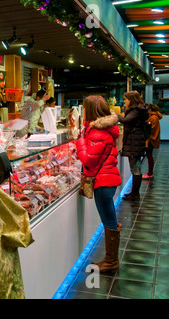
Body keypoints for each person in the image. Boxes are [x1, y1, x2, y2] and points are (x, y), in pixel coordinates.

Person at [76, 95, 122, 273]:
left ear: (91, 111)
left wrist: (80, 142)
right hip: (107, 179)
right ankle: (111, 259)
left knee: (109, 220)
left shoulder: (98, 132)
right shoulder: (103, 129)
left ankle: (111, 261)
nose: (83, 111)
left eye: (85, 108)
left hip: (102, 182)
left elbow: (89, 160)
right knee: (109, 219)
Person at [115, 91, 149, 201]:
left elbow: (126, 120)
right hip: (137, 142)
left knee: (135, 168)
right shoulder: (139, 109)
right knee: (135, 168)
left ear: (131, 99)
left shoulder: (135, 110)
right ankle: (134, 193)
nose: (124, 101)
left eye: (126, 99)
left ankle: (135, 194)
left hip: (134, 143)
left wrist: (114, 115)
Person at [143, 103, 162, 179]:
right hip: (151, 139)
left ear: (149, 110)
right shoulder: (154, 116)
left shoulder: (153, 118)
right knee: (149, 156)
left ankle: (150, 173)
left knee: (149, 156)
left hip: (150, 140)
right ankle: (149, 172)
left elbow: (151, 129)